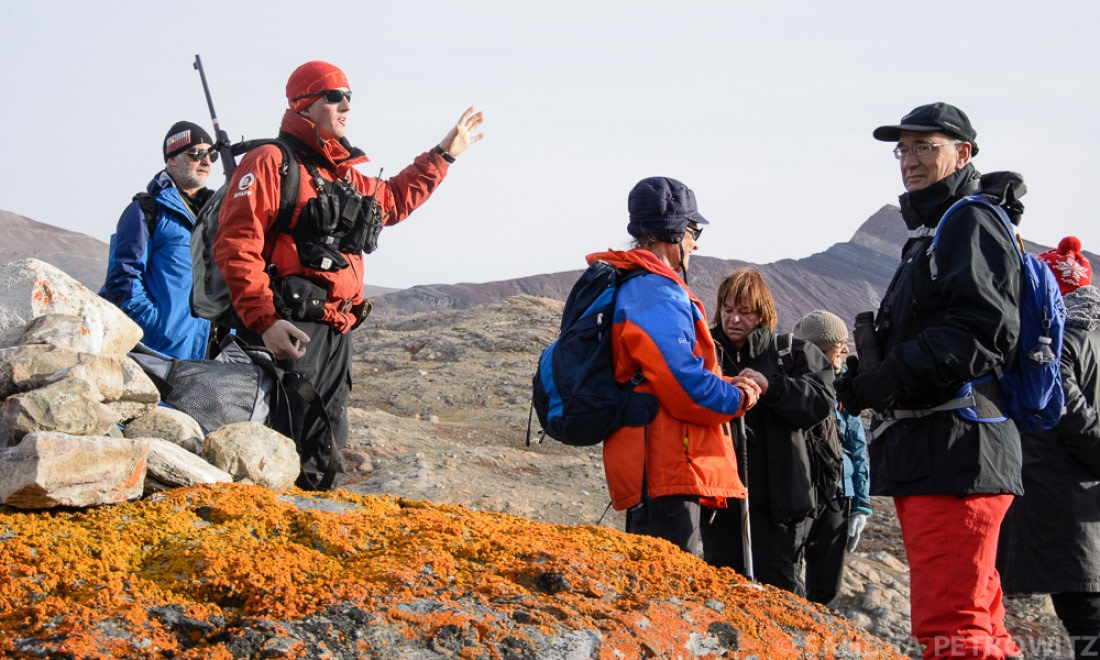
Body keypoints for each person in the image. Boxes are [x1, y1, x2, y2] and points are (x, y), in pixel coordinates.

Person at [214, 60, 484, 488]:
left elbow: (392, 201)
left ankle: (312, 524)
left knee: (324, 451)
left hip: (337, 332)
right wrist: (265, 322)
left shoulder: (343, 175)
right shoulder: (269, 162)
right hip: (289, 329)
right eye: (334, 96)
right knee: (276, 451)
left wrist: (443, 154)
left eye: (349, 96)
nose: (347, 106)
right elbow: (237, 244)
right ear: (304, 104)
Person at [836, 102, 1025, 659]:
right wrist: (868, 379)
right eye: (903, 149)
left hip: (955, 454)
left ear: (963, 154)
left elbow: (985, 331)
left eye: (925, 147)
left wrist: (890, 376)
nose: (910, 160)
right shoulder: (938, 229)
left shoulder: (967, 221)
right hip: (952, 453)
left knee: (953, 629)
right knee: (979, 622)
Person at [592, 176, 762, 557]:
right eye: (692, 231)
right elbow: (684, 385)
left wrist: (723, 382)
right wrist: (739, 397)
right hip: (667, 469)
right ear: (673, 233)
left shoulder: (636, 284)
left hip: (656, 467)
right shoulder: (656, 291)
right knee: (667, 583)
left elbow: (662, 374)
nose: (695, 243)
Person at [701, 269, 836, 596]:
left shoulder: (791, 352)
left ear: (762, 313)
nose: (734, 319)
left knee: (781, 591)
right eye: (728, 310)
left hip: (780, 507)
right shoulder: (704, 353)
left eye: (745, 312)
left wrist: (772, 387)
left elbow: (821, 402)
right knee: (723, 589)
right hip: (720, 503)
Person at [998, 237, 1100, 660]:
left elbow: (1070, 416)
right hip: (1087, 506)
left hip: (1064, 504)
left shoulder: (1054, 346)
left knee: (1087, 623)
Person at [100, 121, 214, 360]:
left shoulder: (219, 216)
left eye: (211, 154)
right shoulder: (146, 212)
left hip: (209, 356)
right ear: (172, 159)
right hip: (156, 353)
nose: (206, 162)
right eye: (196, 154)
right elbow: (123, 279)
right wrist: (156, 329)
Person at [794, 309, 871, 611]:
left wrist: (861, 504)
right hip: (801, 494)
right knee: (790, 578)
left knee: (827, 589)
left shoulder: (842, 390)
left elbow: (856, 447)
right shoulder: (795, 387)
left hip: (839, 496)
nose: (845, 353)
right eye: (839, 347)